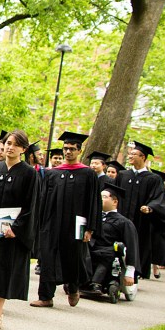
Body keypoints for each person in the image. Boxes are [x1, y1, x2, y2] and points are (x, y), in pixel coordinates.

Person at [31, 131, 101, 309]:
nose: (68, 152)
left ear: (79, 150)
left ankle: (73, 287)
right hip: (51, 223)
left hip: (75, 224)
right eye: (65, 148)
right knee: (47, 257)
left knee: (73, 257)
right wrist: (40, 223)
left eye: (72, 149)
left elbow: (93, 202)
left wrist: (89, 228)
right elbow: (43, 199)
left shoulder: (87, 174)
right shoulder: (53, 173)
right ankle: (45, 296)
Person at [0, 130, 39, 330]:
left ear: (23, 149)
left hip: (11, 232)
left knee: (3, 272)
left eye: (15, 144)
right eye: (7, 143)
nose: (9, 147)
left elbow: (32, 205)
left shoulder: (30, 174)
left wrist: (17, 228)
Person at [117, 140, 165, 281]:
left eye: (134, 154)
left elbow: (160, 198)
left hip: (141, 220)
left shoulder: (153, 179)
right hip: (121, 217)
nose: (130, 156)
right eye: (130, 153)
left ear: (143, 157)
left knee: (139, 244)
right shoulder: (123, 175)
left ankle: (136, 271)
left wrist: (150, 207)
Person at [89, 184, 140, 294]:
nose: (100, 199)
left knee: (108, 254)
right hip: (91, 249)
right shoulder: (93, 217)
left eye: (104, 197)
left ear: (115, 202)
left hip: (108, 253)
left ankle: (96, 283)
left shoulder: (124, 222)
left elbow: (132, 246)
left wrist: (130, 272)